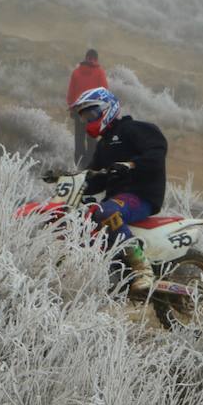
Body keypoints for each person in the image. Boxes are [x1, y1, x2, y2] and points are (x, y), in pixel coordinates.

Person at [69, 87, 167, 293]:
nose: (88, 120)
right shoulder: (104, 145)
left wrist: (131, 164)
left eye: (91, 114)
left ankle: (142, 269)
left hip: (141, 195)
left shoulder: (134, 129)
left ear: (107, 109)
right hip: (117, 198)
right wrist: (70, 181)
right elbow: (94, 178)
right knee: (80, 216)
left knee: (106, 211)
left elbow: (157, 152)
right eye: (85, 117)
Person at [67, 49, 109, 168]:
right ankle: (90, 165)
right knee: (91, 139)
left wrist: (71, 107)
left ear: (86, 58)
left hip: (78, 110)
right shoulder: (100, 72)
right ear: (96, 59)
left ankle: (78, 165)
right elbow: (104, 92)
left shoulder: (76, 72)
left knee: (79, 139)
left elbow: (70, 94)